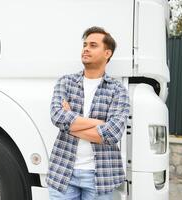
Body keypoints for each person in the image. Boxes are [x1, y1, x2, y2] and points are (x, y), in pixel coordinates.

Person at [46, 26, 130, 200]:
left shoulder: (118, 90)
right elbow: (57, 116)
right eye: (85, 44)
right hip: (63, 172)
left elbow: (112, 133)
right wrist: (98, 123)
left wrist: (70, 125)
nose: (86, 49)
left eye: (93, 45)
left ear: (107, 53)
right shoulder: (66, 82)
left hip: (100, 176)